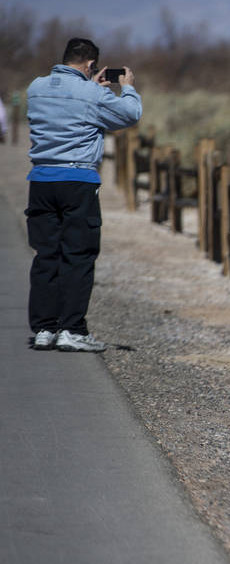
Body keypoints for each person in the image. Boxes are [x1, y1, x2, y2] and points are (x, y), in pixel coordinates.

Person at [26, 38, 142, 352]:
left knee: (46, 255)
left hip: (40, 180)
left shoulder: (35, 87)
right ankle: (72, 329)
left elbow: (65, 107)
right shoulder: (92, 93)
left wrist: (93, 87)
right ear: (90, 64)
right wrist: (126, 87)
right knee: (78, 255)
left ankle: (44, 329)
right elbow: (130, 114)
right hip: (77, 180)